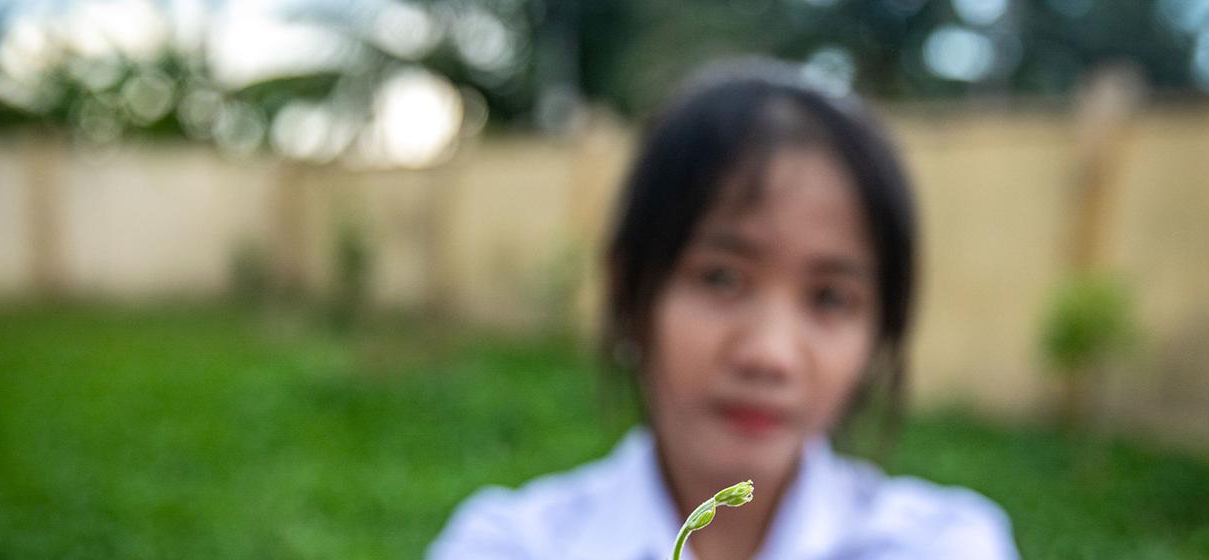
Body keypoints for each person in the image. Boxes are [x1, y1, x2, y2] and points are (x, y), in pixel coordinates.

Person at [428, 60, 1020, 560]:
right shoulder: (510, 545)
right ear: (631, 289)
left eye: (830, 299)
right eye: (720, 278)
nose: (769, 354)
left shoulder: (944, 545)